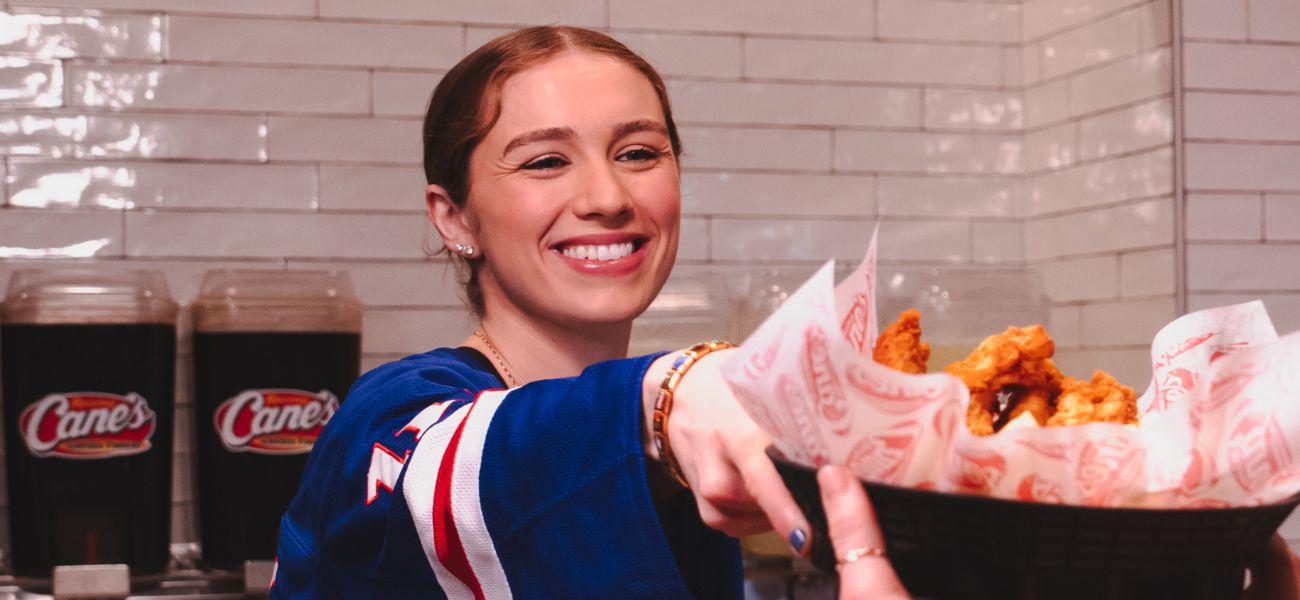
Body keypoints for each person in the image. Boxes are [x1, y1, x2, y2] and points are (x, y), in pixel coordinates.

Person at [270, 25, 819, 599]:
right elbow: (447, 466)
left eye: (638, 153)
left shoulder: (676, 449)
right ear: (455, 217)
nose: (608, 198)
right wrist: (667, 395)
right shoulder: (387, 415)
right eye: (546, 162)